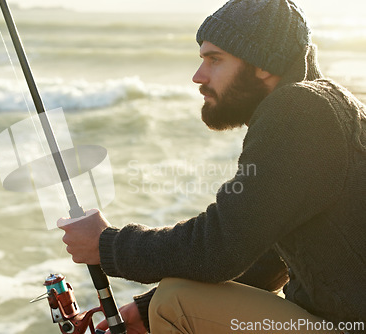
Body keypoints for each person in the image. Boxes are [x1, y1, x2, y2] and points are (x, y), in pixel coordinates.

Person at [57, 0, 366, 333]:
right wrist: (145, 311)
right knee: (166, 300)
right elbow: (264, 257)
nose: (198, 76)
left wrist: (107, 245)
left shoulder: (298, 110)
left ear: (263, 64)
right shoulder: (329, 106)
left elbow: (218, 248)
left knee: (173, 302)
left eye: (215, 60)